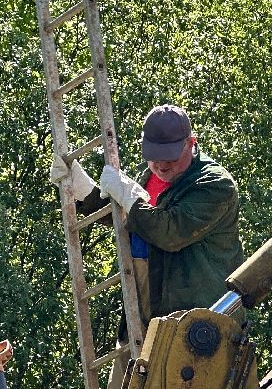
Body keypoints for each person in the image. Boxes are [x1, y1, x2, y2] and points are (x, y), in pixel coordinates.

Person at [50, 104, 244, 323]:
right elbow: (136, 220)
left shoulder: (214, 184)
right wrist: (84, 190)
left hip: (202, 323)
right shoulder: (151, 176)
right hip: (147, 315)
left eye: (169, 157)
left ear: (191, 143)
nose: (161, 165)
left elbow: (169, 233)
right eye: (154, 156)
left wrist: (129, 197)